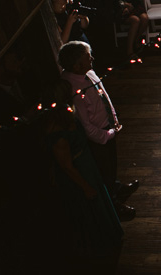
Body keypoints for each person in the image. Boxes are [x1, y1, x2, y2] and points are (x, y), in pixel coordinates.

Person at [40, 79, 123, 259]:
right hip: (80, 172)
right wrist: (86, 187)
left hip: (88, 164)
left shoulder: (68, 115)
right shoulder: (56, 132)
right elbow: (67, 166)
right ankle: (100, 246)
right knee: (89, 209)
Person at [58, 41, 138, 221]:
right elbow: (86, 127)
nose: (92, 59)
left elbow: (104, 97)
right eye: (88, 57)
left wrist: (114, 120)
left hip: (108, 127)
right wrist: (109, 134)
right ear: (76, 65)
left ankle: (116, 187)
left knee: (112, 165)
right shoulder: (73, 88)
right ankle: (114, 204)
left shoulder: (89, 73)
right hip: (98, 137)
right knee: (104, 170)